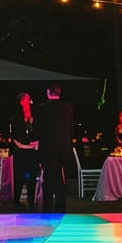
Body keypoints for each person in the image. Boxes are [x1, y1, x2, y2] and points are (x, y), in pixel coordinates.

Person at [35, 84, 75, 213]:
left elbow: (38, 129)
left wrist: (34, 140)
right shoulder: (67, 108)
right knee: (61, 179)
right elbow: (70, 129)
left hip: (47, 149)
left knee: (48, 178)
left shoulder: (42, 108)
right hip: (63, 149)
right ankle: (60, 207)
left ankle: (47, 207)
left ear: (48, 92)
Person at [10, 92, 40, 211]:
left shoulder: (37, 116)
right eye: (26, 100)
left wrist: (38, 143)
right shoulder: (15, 119)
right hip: (20, 153)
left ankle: (31, 202)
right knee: (19, 178)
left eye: (30, 100)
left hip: (33, 153)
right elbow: (14, 138)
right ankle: (17, 202)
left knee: (32, 178)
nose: (29, 102)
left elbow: (41, 132)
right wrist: (23, 146)